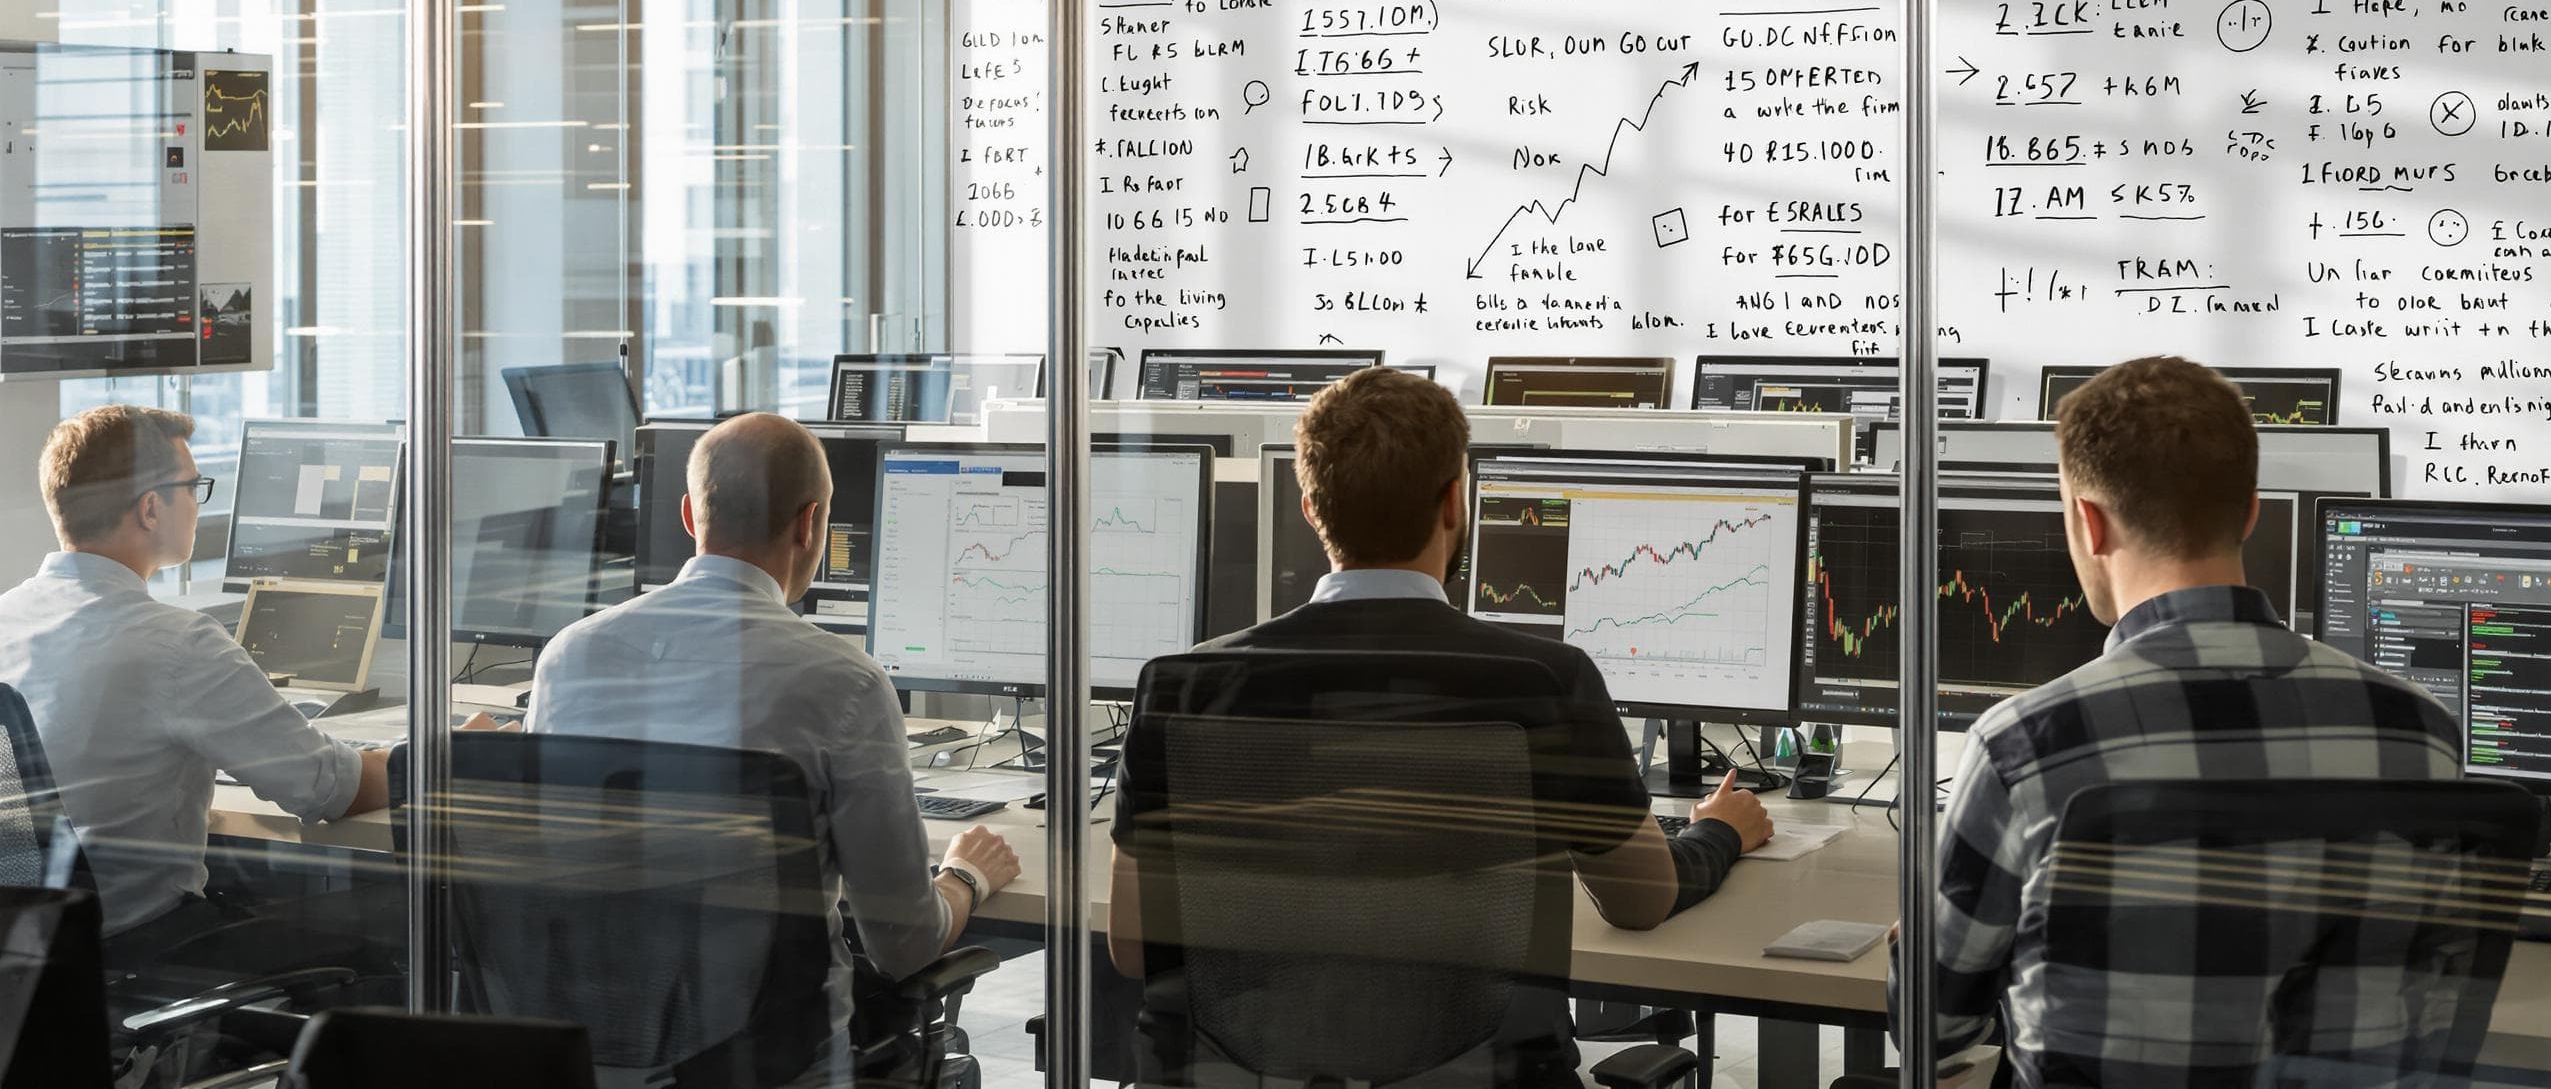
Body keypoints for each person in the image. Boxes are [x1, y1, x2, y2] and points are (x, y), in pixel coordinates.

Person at [1106, 367, 1772, 1085]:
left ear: (1308, 508)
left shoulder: (1181, 686)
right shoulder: (1542, 682)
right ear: (1456, 501)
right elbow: (1642, 901)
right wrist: (1719, 831)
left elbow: (1135, 945)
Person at [1895, 356, 2460, 1079]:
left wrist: (1916, 939)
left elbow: (1929, 1025)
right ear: (2251, 511)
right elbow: (2434, 997)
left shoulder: (2023, 749)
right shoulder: (2423, 733)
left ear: (2088, 524)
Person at [528, 411, 1019, 1050]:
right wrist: (964, 877)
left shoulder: (568, 657)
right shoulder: (845, 683)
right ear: (810, 522)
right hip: (768, 1056)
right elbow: (903, 945)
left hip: (596, 1041)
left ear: (687, 516)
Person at [0, 407, 392, 967]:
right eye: (193, 487)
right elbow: (331, 789)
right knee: (395, 926)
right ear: (151, 508)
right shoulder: (175, 642)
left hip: (31, 949)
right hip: (138, 943)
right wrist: (448, 753)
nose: (197, 502)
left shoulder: (7, 617)